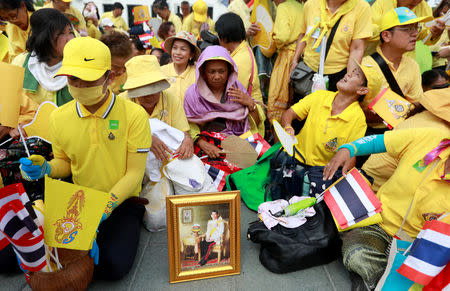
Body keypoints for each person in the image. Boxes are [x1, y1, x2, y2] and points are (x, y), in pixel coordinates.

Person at [18, 37, 151, 281]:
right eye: (72, 78)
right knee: (22, 255)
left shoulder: (134, 115)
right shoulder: (59, 118)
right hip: (78, 200)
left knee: (112, 265)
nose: (79, 85)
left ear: (109, 78)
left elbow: (133, 174)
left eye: (88, 79)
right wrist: (46, 167)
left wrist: (103, 209)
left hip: (122, 203)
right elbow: (65, 163)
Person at [323, 127, 450, 290]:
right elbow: (378, 141)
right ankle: (383, 282)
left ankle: (369, 281)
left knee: (421, 277)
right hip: (378, 225)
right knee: (356, 254)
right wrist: (349, 149)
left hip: (415, 248)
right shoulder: (431, 137)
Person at [281, 63, 372, 170]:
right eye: (351, 71)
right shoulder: (320, 96)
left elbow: (350, 157)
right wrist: (287, 127)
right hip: (292, 156)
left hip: (317, 174)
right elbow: (289, 114)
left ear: (362, 90)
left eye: (356, 74)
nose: (348, 75)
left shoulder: (358, 120)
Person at [4, 8, 74, 140]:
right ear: (44, 37)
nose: (69, 39)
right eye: (61, 34)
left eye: (70, 32)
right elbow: (9, 111)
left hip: (71, 139)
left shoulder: (80, 63)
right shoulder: (19, 63)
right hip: (31, 140)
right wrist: (16, 125)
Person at [362, 87, 450, 192]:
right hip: (376, 191)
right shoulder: (439, 135)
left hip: (366, 176)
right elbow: (418, 172)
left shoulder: (427, 114)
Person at [184, 45, 264, 158]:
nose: (217, 77)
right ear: (203, 72)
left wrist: (251, 104)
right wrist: (202, 143)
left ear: (229, 71)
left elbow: (252, 125)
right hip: (206, 149)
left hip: (238, 146)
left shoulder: (237, 89)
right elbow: (189, 125)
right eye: (212, 72)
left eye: (222, 71)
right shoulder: (192, 94)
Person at [360, 8, 429, 132]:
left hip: (398, 132)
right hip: (366, 133)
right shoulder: (365, 67)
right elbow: (351, 110)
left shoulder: (412, 65)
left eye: (416, 28)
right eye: (407, 29)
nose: (414, 33)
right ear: (386, 36)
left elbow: (415, 103)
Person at [289, 0, 372, 100]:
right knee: (301, 111)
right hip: (307, 72)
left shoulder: (361, 8)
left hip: (337, 75)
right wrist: (294, 61)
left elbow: (357, 49)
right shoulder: (311, 4)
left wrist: (348, 79)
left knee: (328, 112)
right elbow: (303, 34)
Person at [121, 55, 193, 161]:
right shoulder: (121, 102)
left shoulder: (171, 99)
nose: (149, 96)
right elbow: (116, 136)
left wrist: (187, 140)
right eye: (143, 92)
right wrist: (146, 139)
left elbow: (183, 132)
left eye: (154, 91)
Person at [266, 0, 304, 122]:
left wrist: (273, 39)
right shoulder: (302, 7)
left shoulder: (283, 7)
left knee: (277, 104)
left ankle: (279, 139)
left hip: (287, 58)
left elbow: (282, 36)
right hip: (302, 58)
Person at [161, 31, 200, 102]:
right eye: (175, 48)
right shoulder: (161, 72)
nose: (178, 52)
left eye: (183, 49)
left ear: (191, 54)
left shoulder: (196, 76)